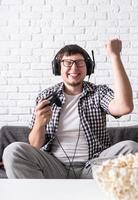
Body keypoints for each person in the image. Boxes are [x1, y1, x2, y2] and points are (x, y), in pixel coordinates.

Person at [3, 39, 138, 179]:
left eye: (80, 62)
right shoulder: (46, 96)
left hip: (94, 167)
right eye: (67, 63)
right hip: (55, 167)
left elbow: (125, 107)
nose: (74, 68)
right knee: (13, 150)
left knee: (131, 148)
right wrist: (39, 123)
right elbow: (35, 145)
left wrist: (115, 56)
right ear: (57, 68)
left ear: (88, 67)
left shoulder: (99, 93)